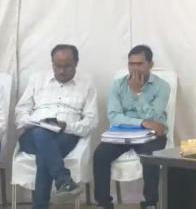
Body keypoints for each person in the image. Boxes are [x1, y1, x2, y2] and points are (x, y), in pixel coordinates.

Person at [15, 44, 98, 209]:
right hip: (32, 136)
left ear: (76, 63)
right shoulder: (37, 80)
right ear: (52, 63)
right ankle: (64, 180)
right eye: (57, 66)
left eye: (67, 66)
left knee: (45, 153)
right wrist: (34, 122)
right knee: (41, 134)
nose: (61, 71)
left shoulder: (87, 85)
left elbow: (91, 122)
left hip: (65, 135)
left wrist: (66, 125)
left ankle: (42, 204)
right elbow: (20, 112)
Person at [93, 45, 170, 209]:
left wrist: (138, 93)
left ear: (150, 64)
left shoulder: (162, 86)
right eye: (131, 64)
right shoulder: (118, 85)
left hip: (151, 133)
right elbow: (114, 116)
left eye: (139, 64)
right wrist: (141, 122)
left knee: (150, 156)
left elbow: (154, 117)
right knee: (100, 155)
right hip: (123, 132)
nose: (134, 68)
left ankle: (150, 203)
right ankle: (103, 203)